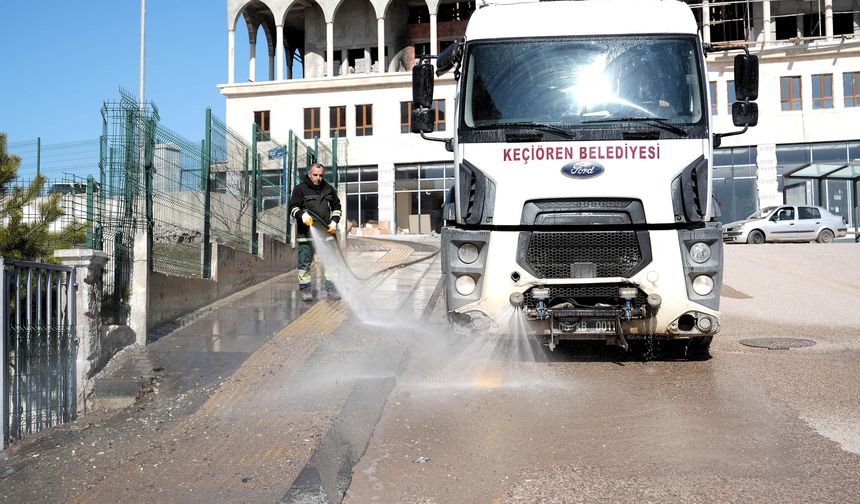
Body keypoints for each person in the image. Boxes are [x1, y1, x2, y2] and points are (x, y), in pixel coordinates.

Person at [289, 163, 343, 301]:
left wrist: (334, 221)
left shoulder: (328, 189)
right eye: (315, 175)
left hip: (326, 234)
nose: (318, 178)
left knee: (331, 263)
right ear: (309, 174)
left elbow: (337, 207)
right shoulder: (300, 189)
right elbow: (293, 207)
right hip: (306, 235)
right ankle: (305, 290)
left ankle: (332, 289)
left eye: (321, 175)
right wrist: (302, 215)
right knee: (304, 266)